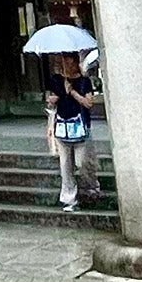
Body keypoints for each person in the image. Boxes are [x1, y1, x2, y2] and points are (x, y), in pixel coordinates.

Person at [44, 52, 100, 212]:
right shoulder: (56, 80)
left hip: (80, 125)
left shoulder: (84, 81)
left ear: (75, 63)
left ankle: (91, 189)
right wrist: (52, 100)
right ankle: (69, 199)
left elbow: (88, 103)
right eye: (64, 62)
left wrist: (72, 92)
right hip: (62, 126)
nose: (66, 65)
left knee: (83, 163)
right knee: (65, 166)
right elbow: (51, 98)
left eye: (69, 62)